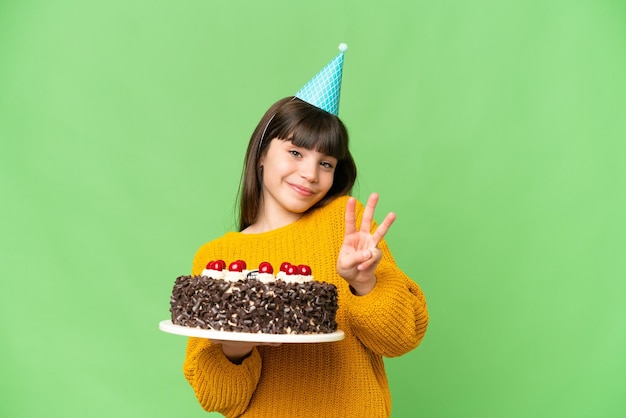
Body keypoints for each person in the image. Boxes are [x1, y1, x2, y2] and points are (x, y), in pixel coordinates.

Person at [182, 45, 428, 417]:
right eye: (296, 153)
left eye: (325, 162)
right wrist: (234, 347)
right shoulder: (218, 260)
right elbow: (222, 401)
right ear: (262, 153)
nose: (310, 174)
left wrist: (365, 283)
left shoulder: (346, 227)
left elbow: (401, 338)